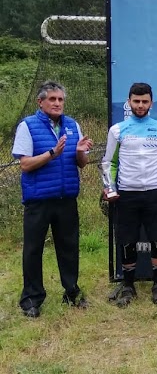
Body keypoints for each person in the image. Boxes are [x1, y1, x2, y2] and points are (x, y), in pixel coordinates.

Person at [12, 81, 93, 318]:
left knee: (69, 247)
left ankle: (71, 292)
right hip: (38, 200)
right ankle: (32, 299)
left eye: (60, 100)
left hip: (66, 198)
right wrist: (51, 153)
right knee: (33, 249)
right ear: (41, 102)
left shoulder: (72, 125)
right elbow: (25, 164)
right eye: (52, 99)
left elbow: (82, 163)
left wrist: (79, 152)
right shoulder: (28, 126)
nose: (57, 103)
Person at [102, 83, 157, 307]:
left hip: (155, 192)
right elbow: (109, 163)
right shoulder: (117, 129)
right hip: (126, 194)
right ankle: (129, 285)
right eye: (136, 101)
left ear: (151, 103)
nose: (140, 105)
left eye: (144, 101)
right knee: (127, 241)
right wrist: (109, 188)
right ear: (129, 102)